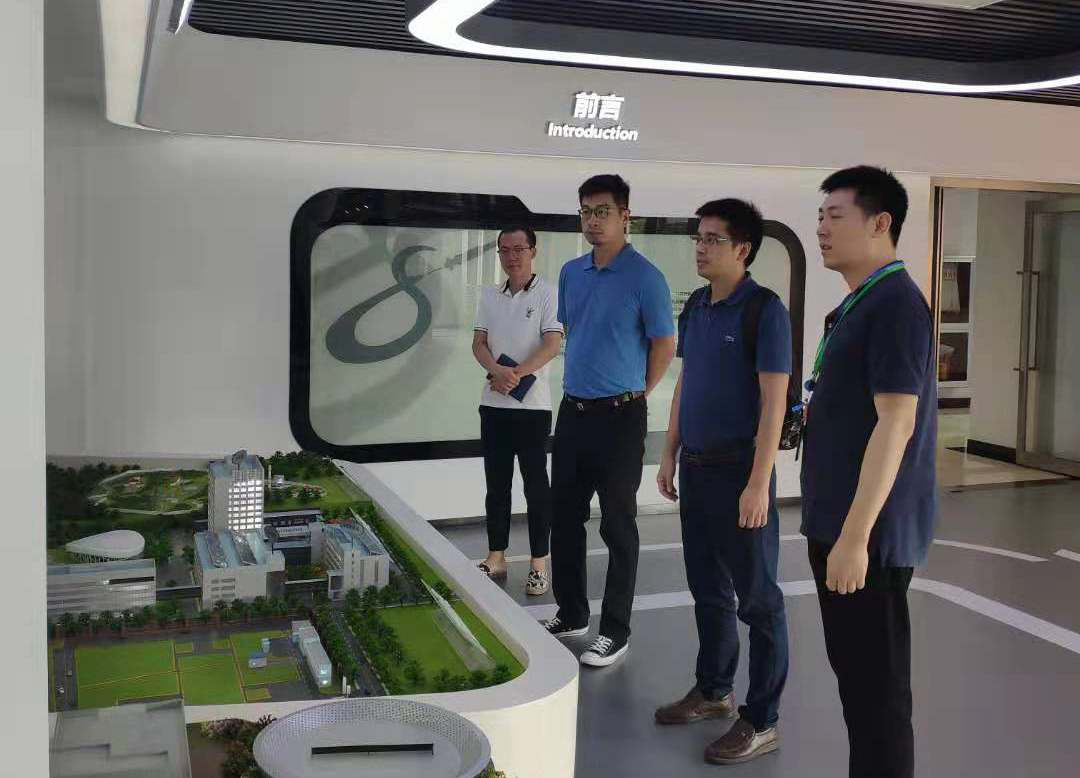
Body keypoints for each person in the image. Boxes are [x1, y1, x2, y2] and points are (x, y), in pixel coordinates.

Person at [802, 165, 937, 778]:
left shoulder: (896, 305)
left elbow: (896, 423)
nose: (822, 229)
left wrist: (855, 538)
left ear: (881, 223)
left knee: (877, 698)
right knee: (858, 688)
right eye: (820, 216)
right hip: (840, 526)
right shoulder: (859, 303)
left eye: (836, 216)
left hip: (869, 538)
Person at [654, 199, 791, 765]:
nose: (701, 248)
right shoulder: (696, 307)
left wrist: (759, 482)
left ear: (743, 249)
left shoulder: (764, 310)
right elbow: (687, 381)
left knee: (758, 600)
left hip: (740, 471)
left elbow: (774, 402)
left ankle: (762, 719)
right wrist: (668, 453)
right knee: (708, 589)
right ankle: (713, 690)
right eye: (699, 238)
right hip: (697, 468)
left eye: (713, 239)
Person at [542, 174, 676, 667]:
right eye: (586, 212)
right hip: (573, 412)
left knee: (618, 525)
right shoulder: (571, 273)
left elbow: (664, 344)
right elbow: (574, 331)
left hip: (621, 417)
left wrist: (640, 390)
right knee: (564, 517)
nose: (593, 221)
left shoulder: (646, 277)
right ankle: (572, 612)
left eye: (602, 212)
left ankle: (615, 630)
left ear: (625, 217)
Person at [472, 226, 563, 596]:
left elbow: (552, 344)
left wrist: (515, 374)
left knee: (535, 486)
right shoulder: (489, 295)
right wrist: (497, 371)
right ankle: (496, 556)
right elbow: (478, 343)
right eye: (504, 250)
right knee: (496, 485)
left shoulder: (550, 293)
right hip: (493, 404)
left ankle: (540, 562)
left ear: (533, 251)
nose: (511, 256)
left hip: (532, 407)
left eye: (519, 249)